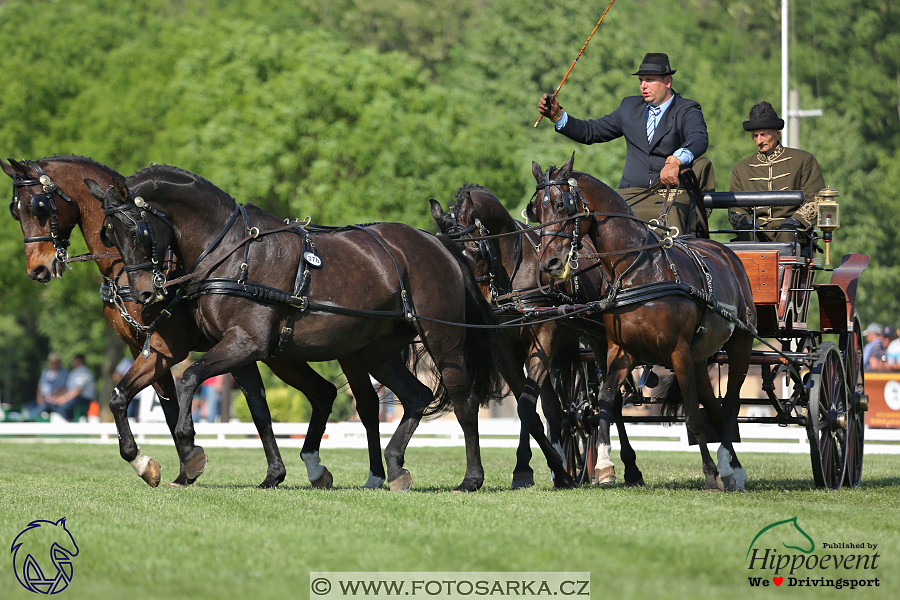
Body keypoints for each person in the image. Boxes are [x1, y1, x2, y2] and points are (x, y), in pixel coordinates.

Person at [537, 52, 709, 236]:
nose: (643, 85)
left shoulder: (686, 109)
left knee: (670, 221)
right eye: (641, 80)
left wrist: (675, 160)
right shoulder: (628, 107)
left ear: (668, 81)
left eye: (650, 80)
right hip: (630, 193)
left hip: (670, 193)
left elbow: (699, 137)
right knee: (595, 220)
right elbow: (591, 131)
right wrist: (558, 117)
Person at [728, 101, 826, 243]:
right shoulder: (741, 168)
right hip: (756, 232)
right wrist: (746, 221)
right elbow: (735, 208)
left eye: (763, 135)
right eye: (755, 136)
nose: (759, 141)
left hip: (794, 233)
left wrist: (795, 221)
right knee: (746, 233)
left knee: (786, 232)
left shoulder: (803, 160)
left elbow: (816, 199)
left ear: (777, 133)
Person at [31, 354, 96, 421]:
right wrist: (56, 397)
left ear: (79, 361)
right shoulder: (74, 372)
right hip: (75, 397)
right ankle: (31, 416)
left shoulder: (84, 373)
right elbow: (67, 389)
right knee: (49, 403)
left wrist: (62, 399)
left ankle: (69, 423)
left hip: (83, 399)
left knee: (62, 407)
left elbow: (77, 391)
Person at [25, 352, 69, 418]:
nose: (52, 364)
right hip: (44, 398)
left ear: (58, 363)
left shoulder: (64, 373)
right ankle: (27, 417)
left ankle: (30, 418)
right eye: (51, 362)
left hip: (55, 400)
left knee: (46, 406)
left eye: (54, 362)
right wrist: (40, 397)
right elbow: (40, 386)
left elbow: (63, 388)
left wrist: (52, 396)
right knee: (30, 405)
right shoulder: (45, 372)